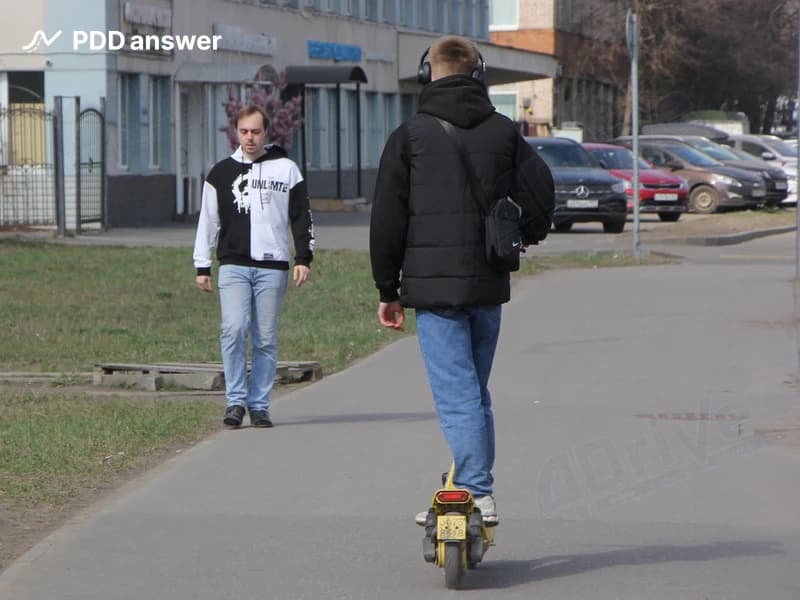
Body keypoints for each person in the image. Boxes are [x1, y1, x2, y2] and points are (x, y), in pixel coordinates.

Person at [369, 36, 554, 523]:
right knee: (474, 391)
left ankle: (475, 487)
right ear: (479, 76)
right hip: (487, 283)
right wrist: (528, 233)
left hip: (433, 290)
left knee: (458, 394)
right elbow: (541, 190)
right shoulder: (503, 132)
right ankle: (475, 483)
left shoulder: (409, 137)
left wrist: (387, 290)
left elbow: (387, 220)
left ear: (428, 75)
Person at [194, 104, 314, 428]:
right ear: (236, 131)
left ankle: (259, 404)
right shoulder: (220, 173)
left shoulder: (286, 169)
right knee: (233, 329)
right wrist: (202, 265)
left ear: (266, 132)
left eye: (256, 131)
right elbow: (208, 221)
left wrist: (303, 257)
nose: (250, 138)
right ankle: (235, 402)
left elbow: (301, 216)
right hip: (233, 264)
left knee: (264, 337)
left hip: (273, 266)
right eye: (244, 131)